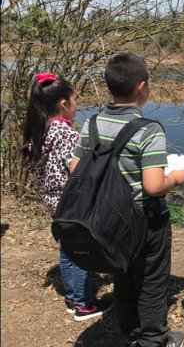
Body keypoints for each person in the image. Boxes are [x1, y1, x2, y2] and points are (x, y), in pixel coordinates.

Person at [71, 53, 184, 347]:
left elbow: (75, 169)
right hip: (145, 222)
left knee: (121, 276)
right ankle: (153, 340)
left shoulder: (93, 124)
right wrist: (176, 177)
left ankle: (131, 334)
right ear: (141, 86)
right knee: (151, 282)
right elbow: (152, 186)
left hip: (108, 221)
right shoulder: (148, 130)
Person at [22, 73, 113, 321]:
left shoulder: (39, 130)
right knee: (83, 250)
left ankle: (74, 297)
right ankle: (84, 305)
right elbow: (79, 171)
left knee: (68, 248)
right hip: (73, 203)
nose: (77, 104)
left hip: (53, 201)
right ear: (63, 104)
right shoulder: (67, 135)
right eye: (75, 99)